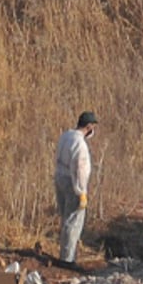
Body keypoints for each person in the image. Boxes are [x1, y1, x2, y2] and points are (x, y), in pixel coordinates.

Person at [54, 111, 98, 265]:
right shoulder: (80, 144)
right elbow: (80, 170)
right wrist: (82, 192)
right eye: (93, 126)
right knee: (73, 222)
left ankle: (65, 255)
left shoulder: (66, 135)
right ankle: (67, 260)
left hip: (59, 178)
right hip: (72, 183)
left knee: (65, 218)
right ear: (89, 126)